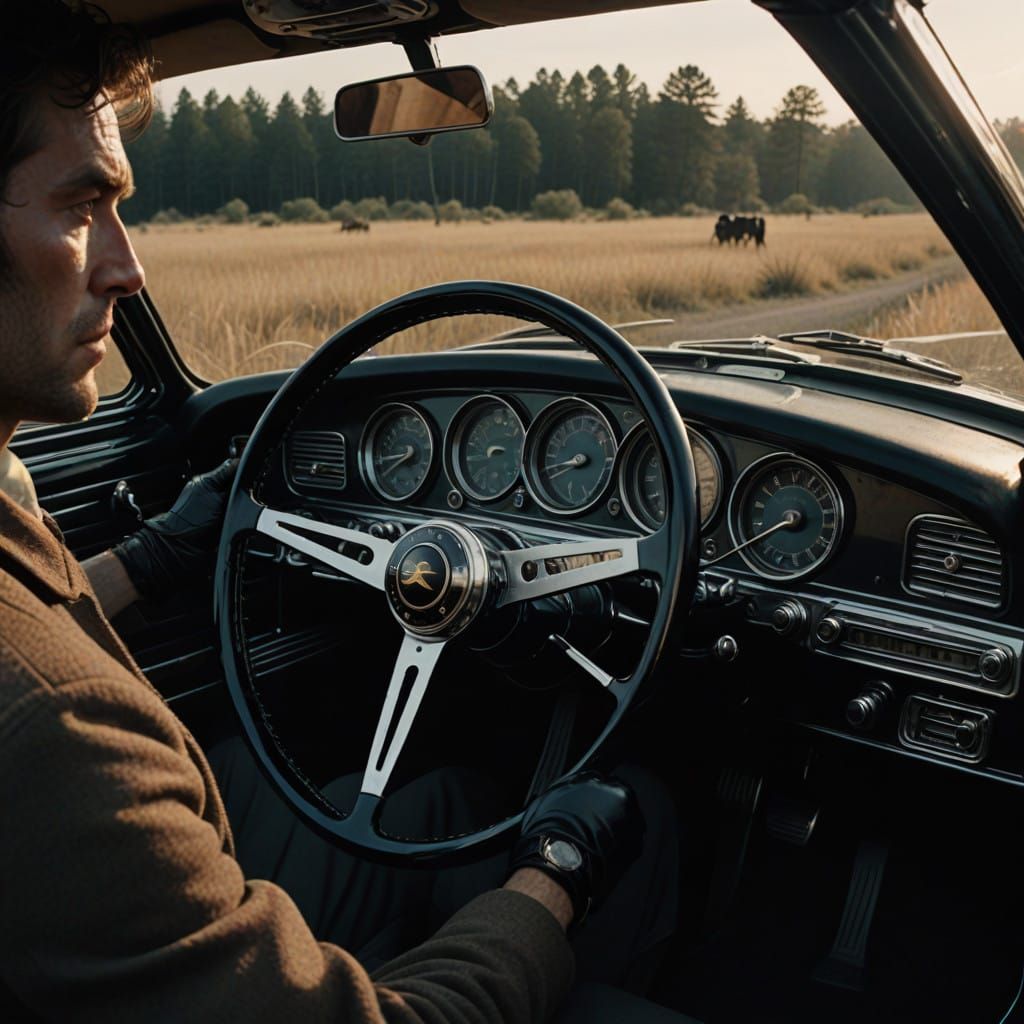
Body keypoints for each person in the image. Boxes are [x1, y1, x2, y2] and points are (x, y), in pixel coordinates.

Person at [0, 4, 693, 1022]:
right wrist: (554, 874)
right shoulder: (53, 727)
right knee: (637, 841)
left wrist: (146, 559)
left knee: (447, 802)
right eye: (80, 206)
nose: (126, 267)